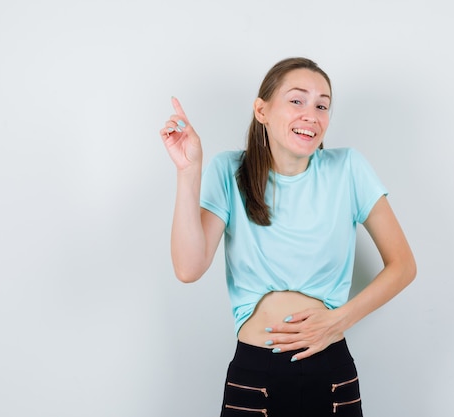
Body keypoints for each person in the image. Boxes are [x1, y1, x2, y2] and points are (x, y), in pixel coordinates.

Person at [159, 57, 416, 417]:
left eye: (322, 105)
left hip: (329, 370)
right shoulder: (229, 170)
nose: (311, 114)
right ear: (261, 110)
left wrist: (339, 320)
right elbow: (188, 268)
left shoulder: (348, 169)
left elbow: (403, 266)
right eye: (297, 100)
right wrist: (188, 172)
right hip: (254, 373)